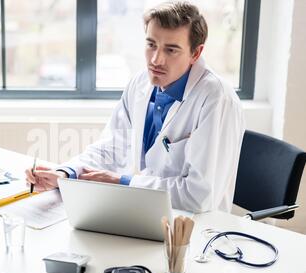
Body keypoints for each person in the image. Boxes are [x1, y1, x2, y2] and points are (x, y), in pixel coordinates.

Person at [26, 1, 245, 213]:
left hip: (192, 228)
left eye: (171, 50)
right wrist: (66, 174)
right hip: (142, 211)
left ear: (195, 54)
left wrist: (123, 182)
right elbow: (111, 148)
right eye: (151, 45)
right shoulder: (141, 83)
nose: (156, 60)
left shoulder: (216, 99)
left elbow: (199, 196)